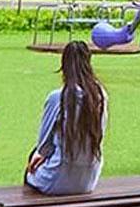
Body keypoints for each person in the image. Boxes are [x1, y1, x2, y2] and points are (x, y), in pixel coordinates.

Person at [27, 41, 108, 195]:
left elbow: (43, 146)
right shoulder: (100, 96)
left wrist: (40, 156)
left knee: (32, 162)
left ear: (64, 65)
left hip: (57, 179)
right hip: (89, 181)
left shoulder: (58, 97)